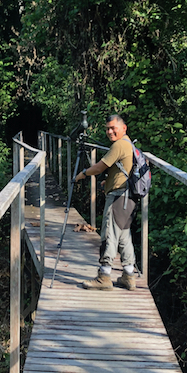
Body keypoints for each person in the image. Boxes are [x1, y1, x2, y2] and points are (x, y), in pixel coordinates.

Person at [74, 114, 137, 290]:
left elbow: (100, 166)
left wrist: (83, 173)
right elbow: (121, 169)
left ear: (124, 128)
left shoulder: (119, 145)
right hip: (128, 197)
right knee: (124, 236)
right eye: (107, 128)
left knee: (109, 234)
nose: (110, 131)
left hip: (118, 197)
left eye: (113, 128)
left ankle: (104, 276)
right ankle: (129, 276)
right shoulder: (128, 143)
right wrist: (108, 181)